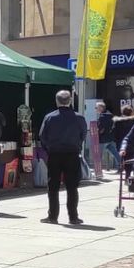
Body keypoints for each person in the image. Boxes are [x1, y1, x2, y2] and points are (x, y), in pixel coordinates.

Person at [36, 89, 89, 226]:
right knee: (72, 186)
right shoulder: (79, 118)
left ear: (56, 101)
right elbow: (83, 134)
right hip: (72, 154)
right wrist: (77, 145)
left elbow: (42, 136)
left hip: (55, 154)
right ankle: (73, 217)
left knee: (53, 186)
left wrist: (49, 149)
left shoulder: (50, 117)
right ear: (70, 101)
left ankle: (53, 216)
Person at [95, 101, 116, 171]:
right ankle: (121, 166)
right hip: (110, 138)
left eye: (96, 108)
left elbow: (101, 130)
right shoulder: (111, 115)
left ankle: (98, 170)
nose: (95, 109)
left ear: (101, 108)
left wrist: (96, 133)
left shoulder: (102, 117)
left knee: (98, 155)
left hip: (102, 139)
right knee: (115, 153)